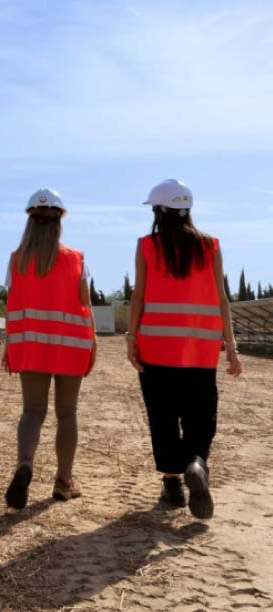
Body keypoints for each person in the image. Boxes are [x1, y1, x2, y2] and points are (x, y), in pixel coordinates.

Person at [127, 179, 242, 520]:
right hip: (200, 349)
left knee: (163, 417)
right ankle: (196, 462)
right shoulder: (211, 246)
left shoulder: (147, 246)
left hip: (156, 348)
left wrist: (131, 338)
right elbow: (222, 298)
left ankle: (173, 485)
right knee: (200, 415)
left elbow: (139, 296)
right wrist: (231, 346)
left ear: (160, 210)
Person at [3, 188, 97, 510]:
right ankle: (63, 482)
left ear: (30, 221)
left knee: (32, 411)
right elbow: (86, 305)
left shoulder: (16, 260)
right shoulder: (76, 259)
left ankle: (25, 464)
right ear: (59, 221)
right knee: (66, 413)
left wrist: (10, 345)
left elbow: (12, 305)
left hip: (30, 346)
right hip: (71, 347)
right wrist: (93, 342)